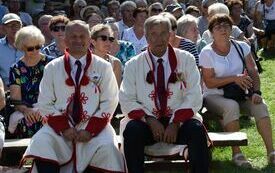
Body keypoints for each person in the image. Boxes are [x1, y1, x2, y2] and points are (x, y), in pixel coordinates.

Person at [21, 20, 125, 173]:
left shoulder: (104, 66)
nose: (78, 40)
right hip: (60, 125)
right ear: (66, 39)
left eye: (82, 36)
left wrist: (90, 129)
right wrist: (64, 128)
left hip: (94, 124)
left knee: (108, 148)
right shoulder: (52, 67)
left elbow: (110, 100)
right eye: (73, 36)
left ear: (89, 39)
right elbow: (45, 102)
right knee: (42, 141)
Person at [120, 15, 209, 173]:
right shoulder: (133, 65)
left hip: (179, 122)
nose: (159, 38)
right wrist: (150, 120)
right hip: (147, 123)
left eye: (163, 33)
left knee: (196, 130)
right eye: (153, 34)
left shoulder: (186, 59)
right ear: (146, 36)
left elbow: (194, 94)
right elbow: (126, 98)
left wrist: (176, 123)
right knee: (132, 130)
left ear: (170, 35)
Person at [199, 14, 275, 167]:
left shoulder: (242, 46)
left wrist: (256, 92)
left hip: (241, 93)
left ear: (231, 29)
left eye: (226, 25)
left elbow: (253, 71)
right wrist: (234, 78)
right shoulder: (206, 52)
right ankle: (237, 153)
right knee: (231, 106)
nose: (222, 29)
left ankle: (271, 152)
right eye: (218, 26)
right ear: (211, 32)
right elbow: (209, 82)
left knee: (261, 106)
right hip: (214, 95)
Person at [8, 25, 52, 139]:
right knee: (28, 122)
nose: (35, 51)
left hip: (49, 106)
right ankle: (28, 155)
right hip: (26, 109)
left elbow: (59, 91)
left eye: (38, 47)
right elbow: (15, 99)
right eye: (30, 48)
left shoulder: (51, 63)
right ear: (22, 48)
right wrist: (26, 110)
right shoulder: (16, 68)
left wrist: (43, 109)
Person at [0, 13, 24, 89]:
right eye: (10, 25)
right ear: (3, 28)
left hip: (29, 88)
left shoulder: (32, 44)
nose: (14, 28)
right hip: (5, 88)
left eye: (17, 25)